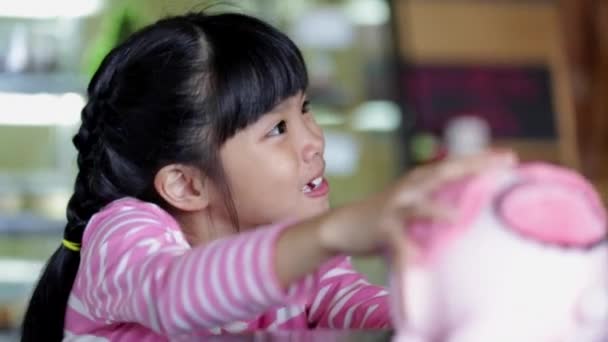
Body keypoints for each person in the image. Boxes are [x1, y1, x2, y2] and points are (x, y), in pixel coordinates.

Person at [21, 11, 515, 341]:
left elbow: (355, 302)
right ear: (186, 184)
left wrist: (452, 313)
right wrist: (335, 229)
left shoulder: (294, 248)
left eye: (306, 109)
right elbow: (176, 294)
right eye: (278, 127)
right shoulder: (122, 233)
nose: (313, 140)